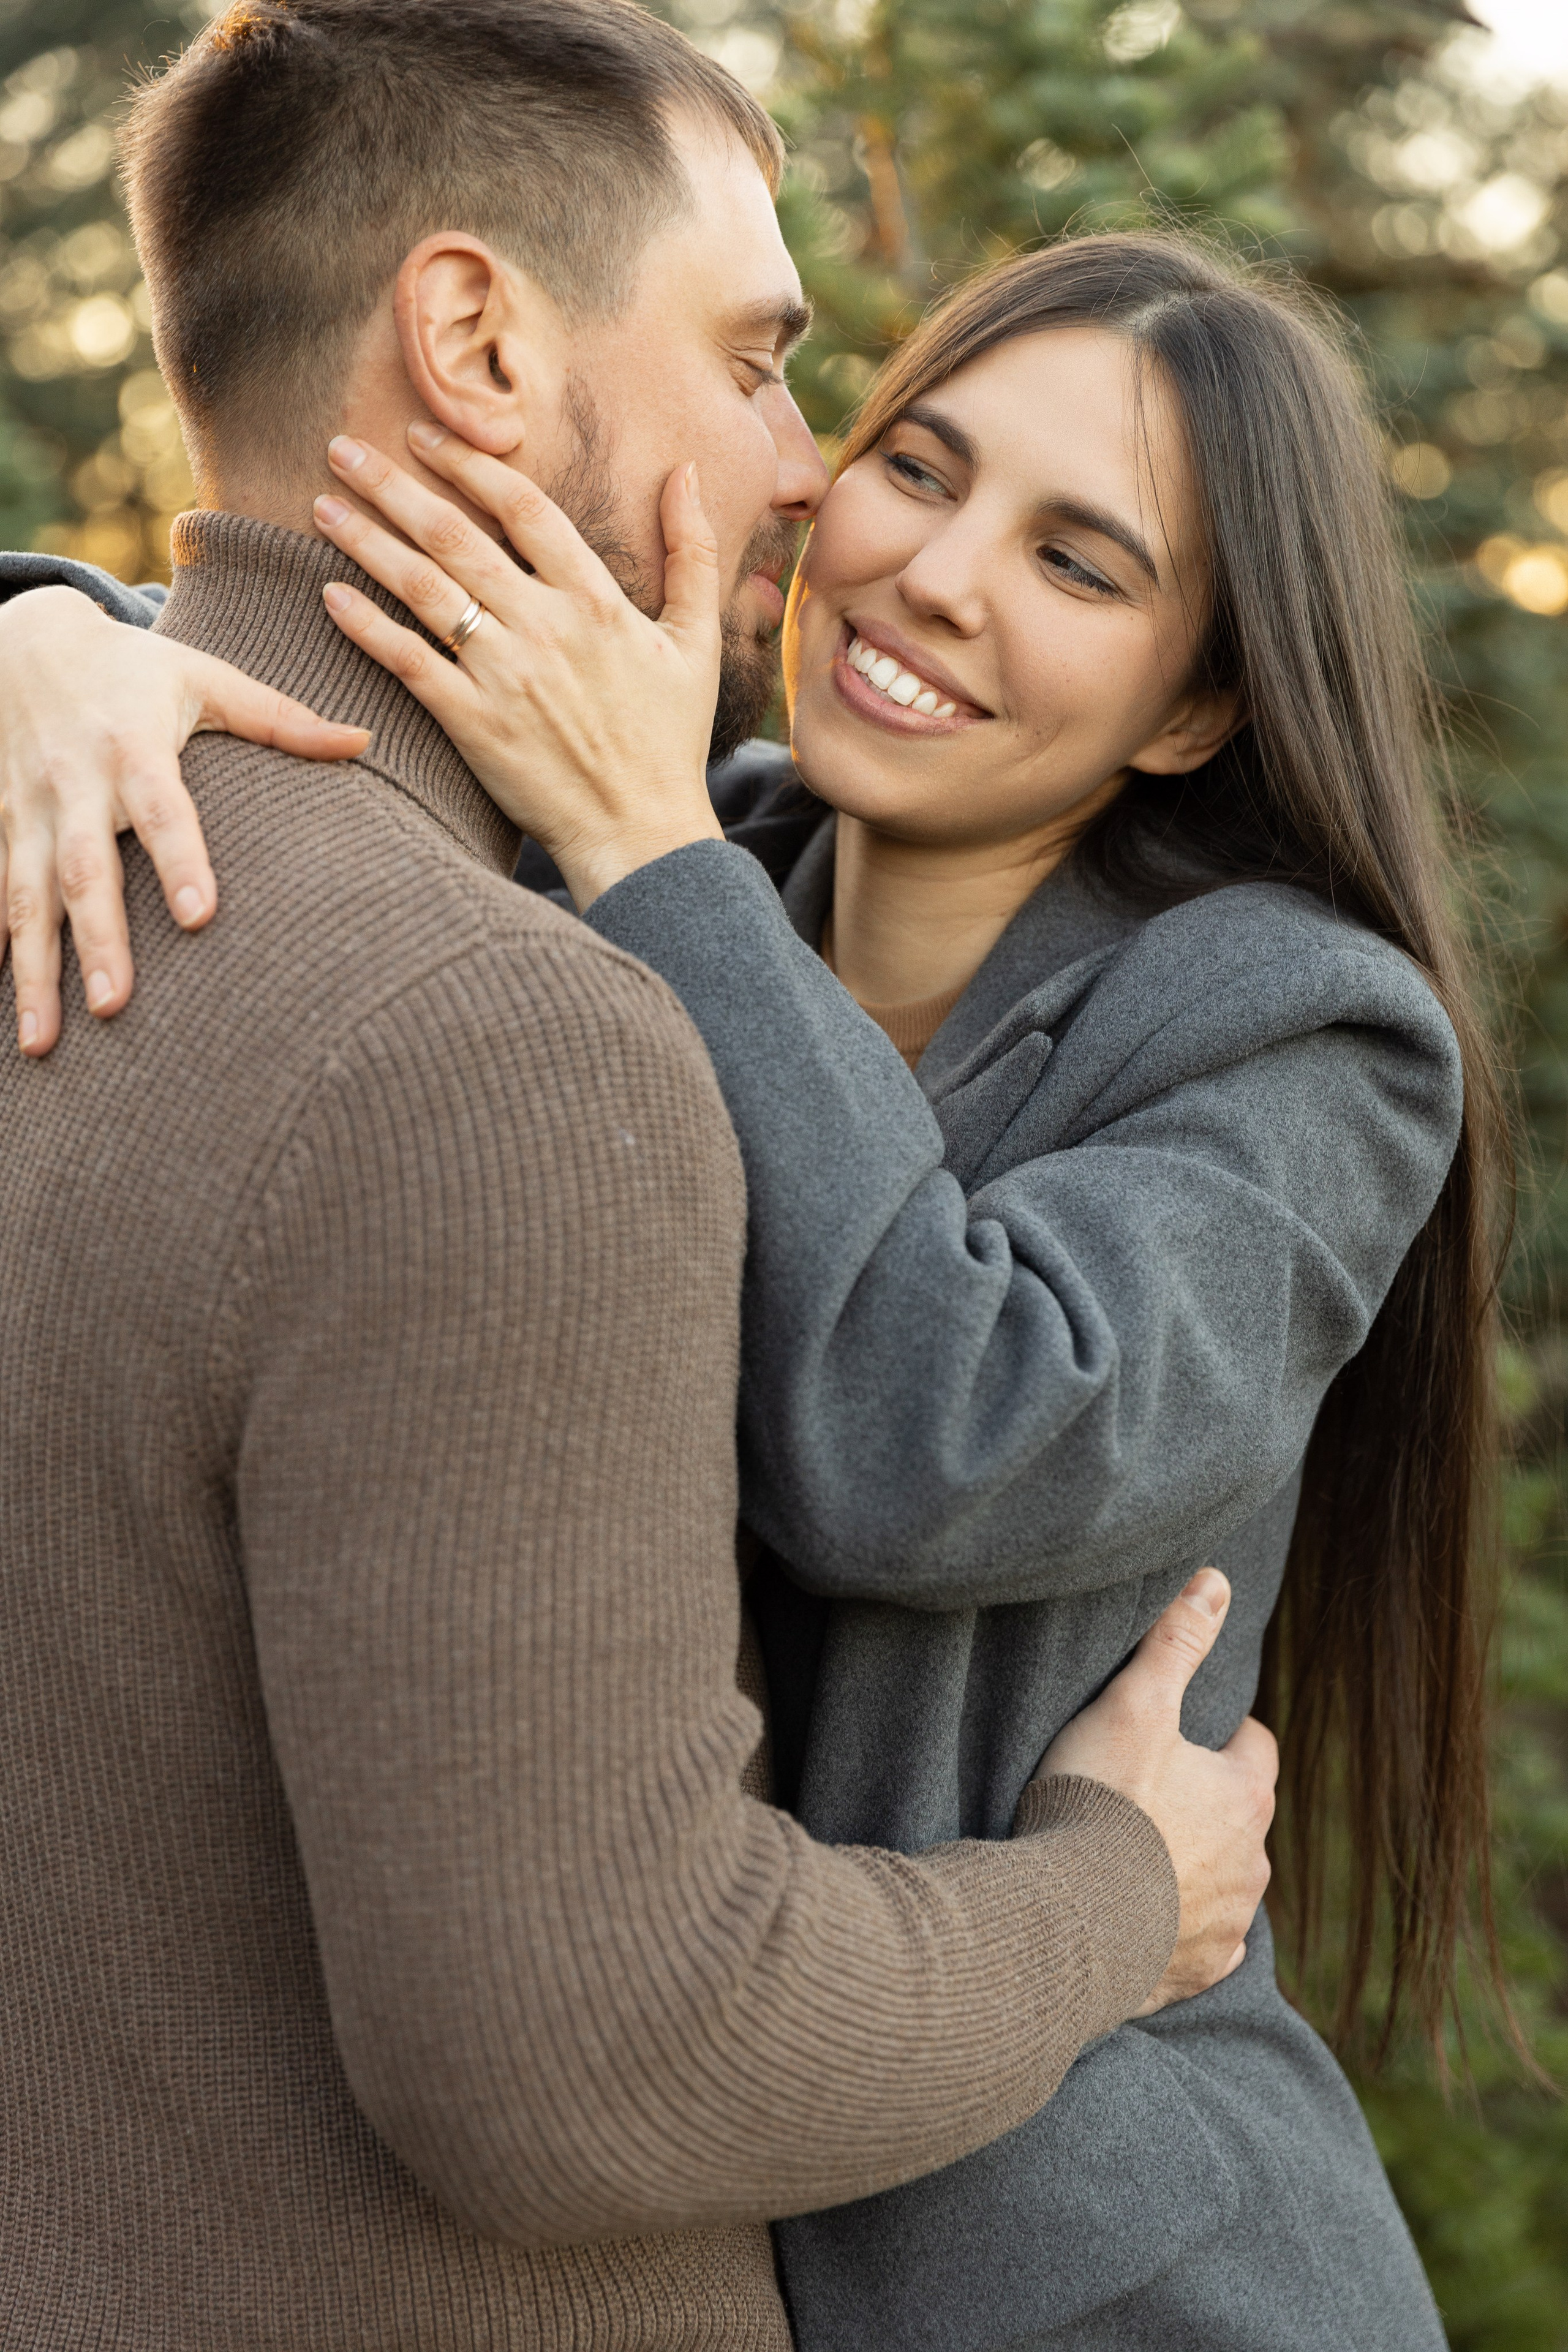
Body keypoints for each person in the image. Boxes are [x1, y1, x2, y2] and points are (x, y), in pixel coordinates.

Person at [6, 221, 1498, 2345]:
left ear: (1198, 713)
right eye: (920, 467)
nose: (937, 574)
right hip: (636, 2219)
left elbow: (942, 1434)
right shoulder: (664, 864)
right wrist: (43, 635)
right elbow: (277, 661)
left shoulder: (1301, 1040)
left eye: (1082, 566)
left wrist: (650, 855)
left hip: (1077, 2274)